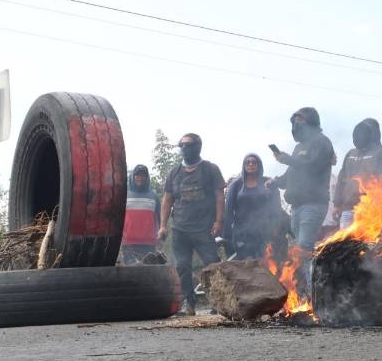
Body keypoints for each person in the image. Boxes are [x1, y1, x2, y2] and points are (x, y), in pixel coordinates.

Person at [159, 134, 226, 316]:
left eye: (188, 145)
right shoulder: (174, 173)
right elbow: (167, 200)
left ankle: (218, 302)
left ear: (197, 147)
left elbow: (220, 196)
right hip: (180, 228)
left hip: (204, 228)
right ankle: (189, 303)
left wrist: (219, 221)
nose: (184, 148)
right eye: (182, 145)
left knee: (213, 264)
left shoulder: (210, 169)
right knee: (182, 266)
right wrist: (163, 225)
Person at [270, 107, 336, 254]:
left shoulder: (322, 141)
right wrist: (275, 182)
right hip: (296, 206)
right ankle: (303, 277)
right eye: (294, 121)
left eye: (300, 120)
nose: (296, 124)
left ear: (311, 121)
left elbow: (313, 167)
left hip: (313, 204)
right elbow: (291, 174)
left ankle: (309, 277)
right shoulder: (298, 147)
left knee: (304, 249)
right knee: (300, 248)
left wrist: (288, 160)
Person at [333, 118, 382, 230]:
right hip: (347, 209)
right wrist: (337, 204)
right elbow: (341, 179)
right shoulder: (350, 154)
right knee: (345, 245)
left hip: (369, 211)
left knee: (365, 244)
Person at [224, 154, 281, 260]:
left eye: (254, 162)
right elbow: (229, 211)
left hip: (265, 230)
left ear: (259, 165)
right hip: (242, 232)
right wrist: (227, 235)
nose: (251, 164)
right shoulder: (236, 185)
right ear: (244, 165)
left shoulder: (267, 182)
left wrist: (277, 227)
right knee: (248, 264)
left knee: (267, 263)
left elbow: (276, 207)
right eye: (248, 162)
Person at [120, 165, 162, 265]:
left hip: (149, 243)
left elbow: (160, 218)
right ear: (132, 177)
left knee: (149, 273)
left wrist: (161, 238)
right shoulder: (124, 194)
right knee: (130, 272)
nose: (140, 178)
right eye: (137, 175)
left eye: (143, 175)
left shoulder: (154, 196)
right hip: (128, 243)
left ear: (147, 178)